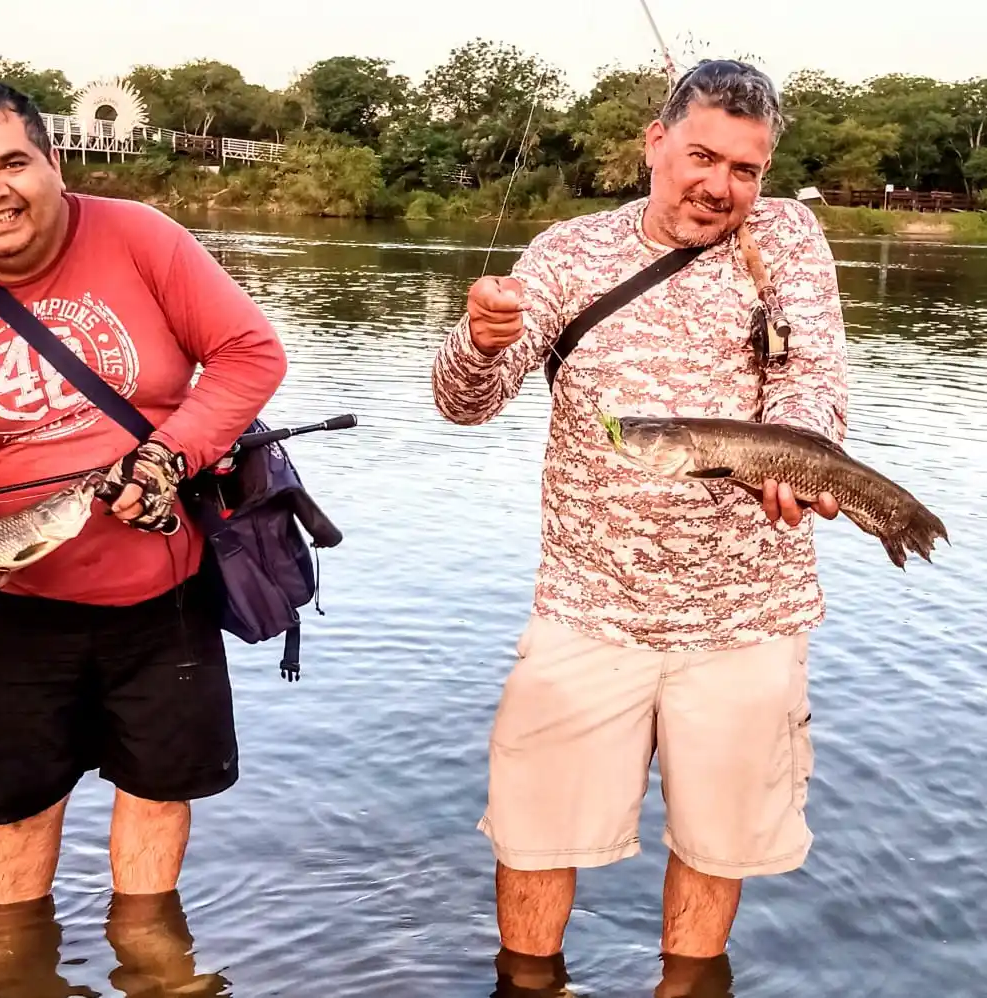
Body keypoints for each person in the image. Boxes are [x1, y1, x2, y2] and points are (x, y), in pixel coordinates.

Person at [431, 59, 848, 967]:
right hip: (587, 605)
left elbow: (812, 379)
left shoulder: (787, 236)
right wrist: (479, 343)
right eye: (702, 156)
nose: (720, 186)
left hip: (748, 613)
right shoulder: (568, 253)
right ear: (655, 143)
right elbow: (467, 404)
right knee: (534, 839)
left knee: (717, 846)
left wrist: (796, 452)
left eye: (745, 168)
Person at [0, 81, 288, 906]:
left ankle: (149, 949)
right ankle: (16, 961)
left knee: (158, 797)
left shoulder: (142, 238)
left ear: (55, 163)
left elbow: (249, 353)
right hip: (12, 613)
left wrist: (165, 458)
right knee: (14, 816)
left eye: (13, 162)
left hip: (164, 600)